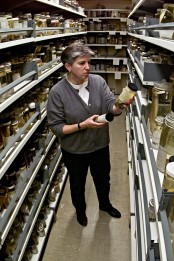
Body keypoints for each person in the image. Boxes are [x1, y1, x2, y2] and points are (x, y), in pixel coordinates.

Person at [47, 41, 135, 226]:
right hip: (75, 150)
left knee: (103, 178)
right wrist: (82, 125)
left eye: (88, 62)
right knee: (77, 185)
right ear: (68, 66)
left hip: (100, 145)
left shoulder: (98, 82)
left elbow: (111, 107)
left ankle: (105, 204)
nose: (88, 67)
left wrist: (121, 105)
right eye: (82, 63)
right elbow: (56, 127)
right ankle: (80, 211)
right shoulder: (57, 92)